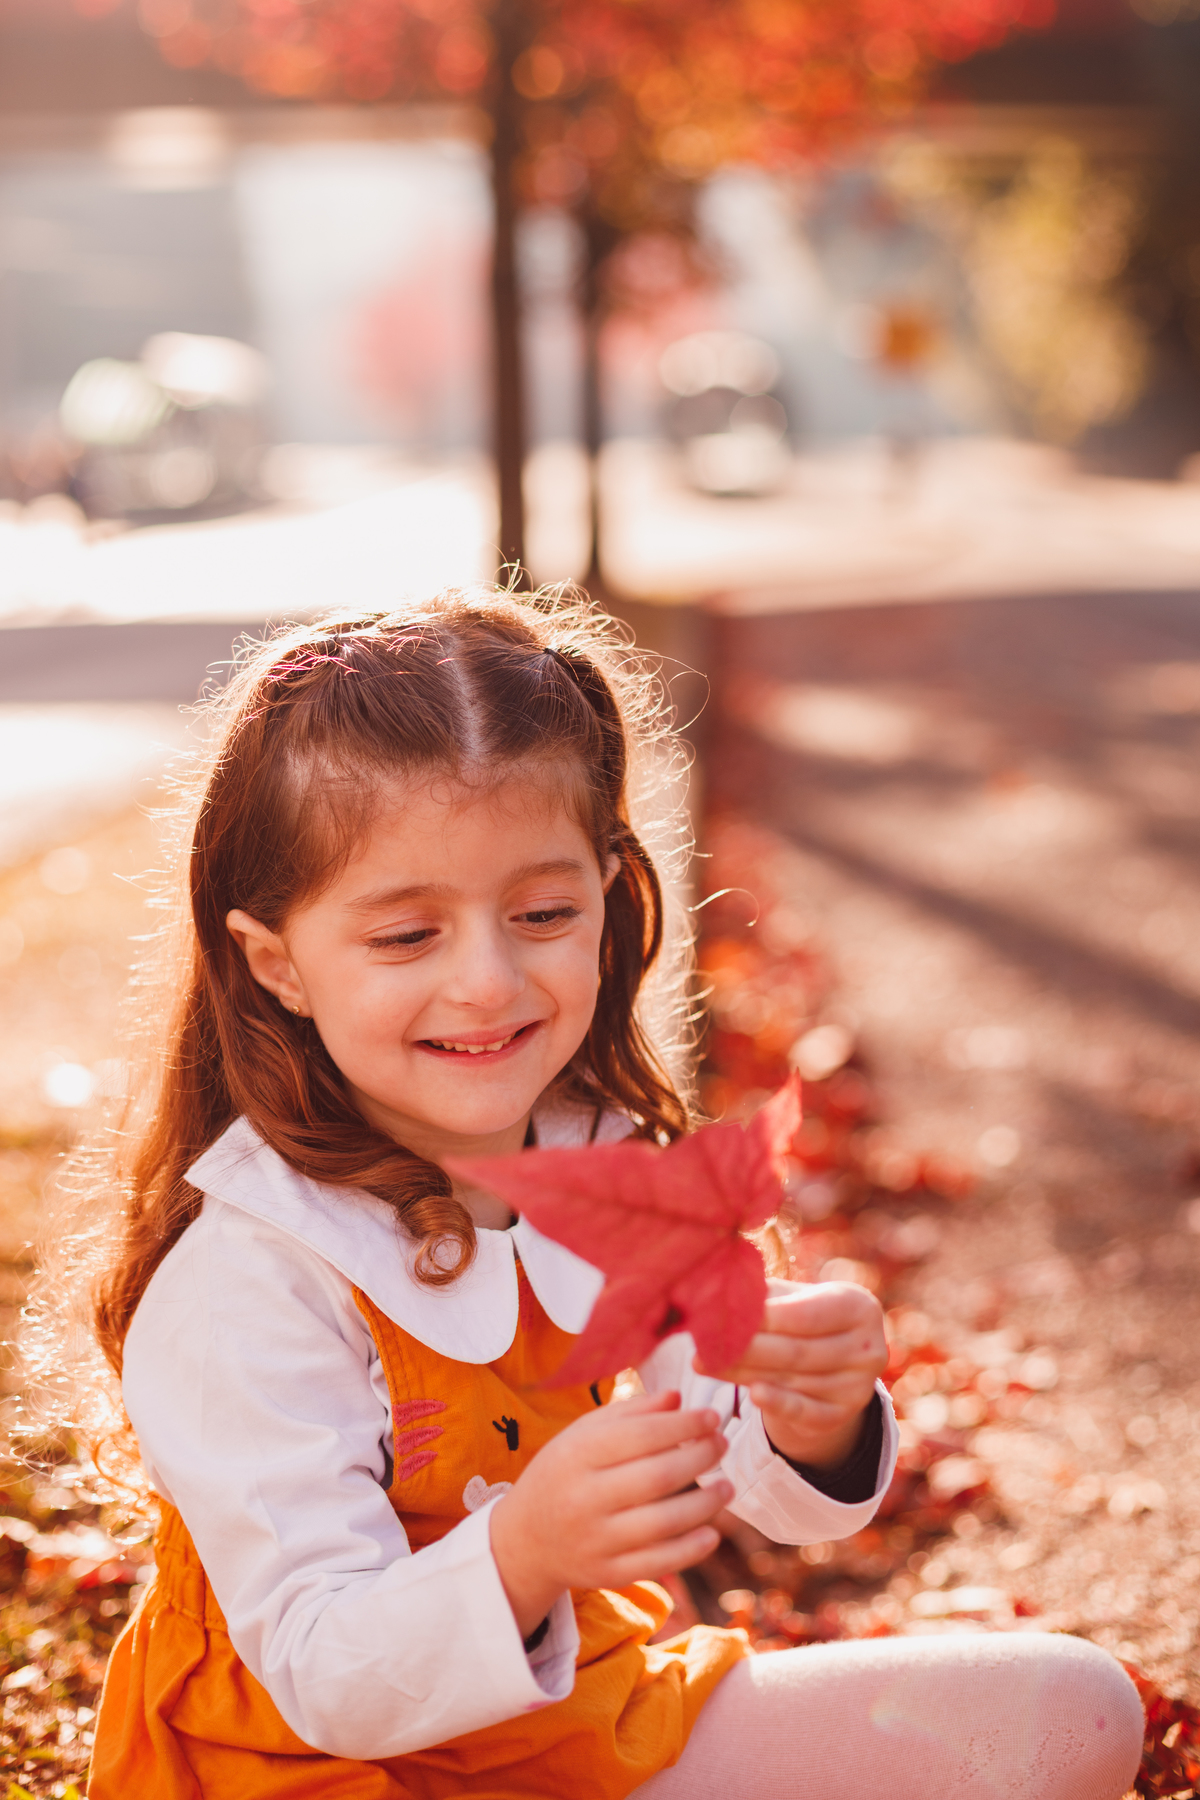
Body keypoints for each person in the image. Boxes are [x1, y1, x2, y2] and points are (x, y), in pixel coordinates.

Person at [69, 589, 1140, 1796]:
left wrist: (813, 1417)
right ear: (279, 966)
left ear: (611, 899)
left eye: (541, 914)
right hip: (311, 1773)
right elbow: (328, 1675)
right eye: (406, 936)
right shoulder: (248, 1278)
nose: (487, 980)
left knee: (1069, 1713)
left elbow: (768, 1498)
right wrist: (520, 1557)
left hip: (590, 1732)